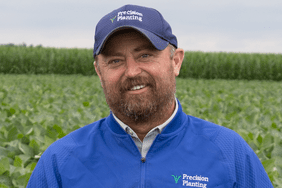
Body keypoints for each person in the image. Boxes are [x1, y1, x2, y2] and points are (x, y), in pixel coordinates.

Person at [27, 4, 273, 188]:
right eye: (115, 60)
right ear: (99, 72)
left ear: (175, 62)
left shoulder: (230, 152)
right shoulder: (60, 161)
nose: (132, 71)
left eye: (145, 55)